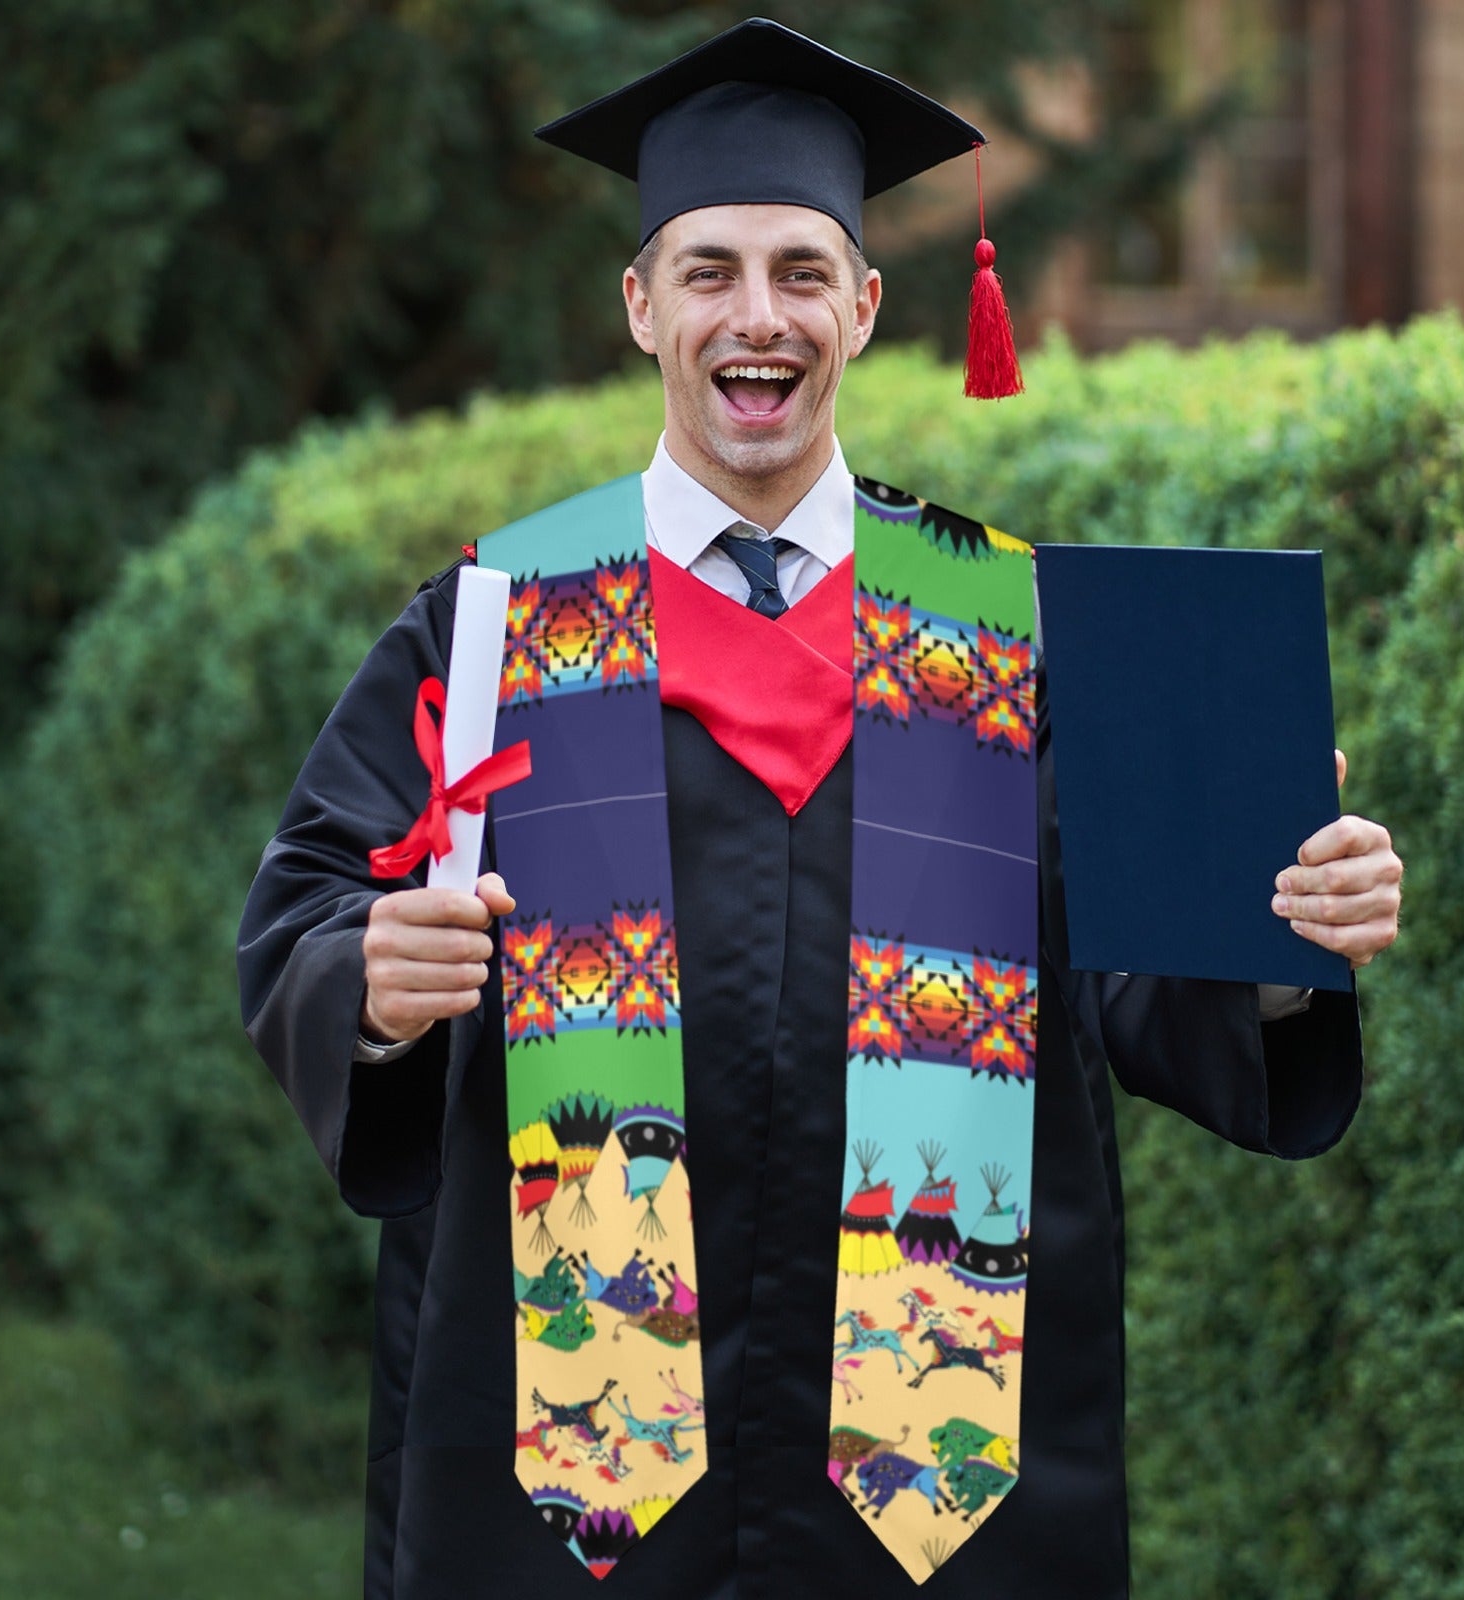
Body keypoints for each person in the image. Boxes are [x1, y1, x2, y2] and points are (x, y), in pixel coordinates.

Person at [237, 19, 1402, 1600]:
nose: (756, 316)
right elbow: (311, 902)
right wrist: (368, 983)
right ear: (642, 305)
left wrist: (1279, 935)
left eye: (800, 271)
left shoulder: (1009, 630)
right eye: (709, 270)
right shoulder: (503, 622)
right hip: (578, 1473)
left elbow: (1137, 977)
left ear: (864, 305)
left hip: (934, 1470)